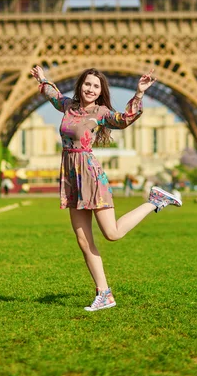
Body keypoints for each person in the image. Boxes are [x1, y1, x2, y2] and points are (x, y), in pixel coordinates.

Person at [30, 65, 182, 312]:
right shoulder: (68, 106)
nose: (90, 89)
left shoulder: (101, 112)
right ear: (80, 85)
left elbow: (123, 120)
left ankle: (153, 201)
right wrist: (44, 79)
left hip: (90, 175)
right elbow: (53, 96)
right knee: (82, 239)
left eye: (96, 86)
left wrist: (140, 93)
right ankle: (104, 294)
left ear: (101, 92)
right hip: (71, 176)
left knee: (112, 233)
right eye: (87, 84)